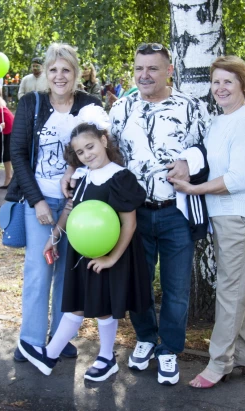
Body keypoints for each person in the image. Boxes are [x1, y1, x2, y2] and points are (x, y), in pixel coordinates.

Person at [92, 42, 209, 385]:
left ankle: (169, 349)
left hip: (177, 212)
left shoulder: (191, 108)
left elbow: (208, 149)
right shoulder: (121, 109)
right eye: (139, 68)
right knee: (137, 284)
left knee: (176, 289)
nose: (144, 75)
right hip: (134, 215)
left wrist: (191, 161)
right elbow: (108, 155)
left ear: (169, 71)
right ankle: (145, 338)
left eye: (153, 68)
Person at [20, 107, 152, 381]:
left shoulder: (120, 177)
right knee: (77, 304)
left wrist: (112, 258)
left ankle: (104, 358)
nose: (87, 154)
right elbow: (70, 210)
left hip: (110, 255)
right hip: (84, 253)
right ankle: (51, 355)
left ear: (104, 141)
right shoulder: (83, 177)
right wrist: (53, 236)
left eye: (90, 147)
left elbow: (130, 223)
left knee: (103, 306)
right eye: (80, 152)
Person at [169, 55, 245, 389]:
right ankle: (242, 355)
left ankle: (219, 363)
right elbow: (205, 156)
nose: (221, 88)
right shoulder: (221, 120)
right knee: (233, 287)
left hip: (240, 212)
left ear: (243, 84)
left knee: (229, 289)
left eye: (229, 81)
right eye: (216, 81)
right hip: (224, 214)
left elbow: (239, 178)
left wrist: (195, 188)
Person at [5, 42, 102, 364]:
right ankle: (30, 340)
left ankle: (60, 338)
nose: (60, 76)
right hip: (41, 201)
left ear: (76, 74)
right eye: (53, 70)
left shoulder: (90, 105)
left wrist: (75, 171)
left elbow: (101, 149)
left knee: (67, 271)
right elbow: (17, 154)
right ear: (46, 74)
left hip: (79, 203)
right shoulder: (31, 103)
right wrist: (37, 202)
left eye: (66, 70)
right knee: (38, 268)